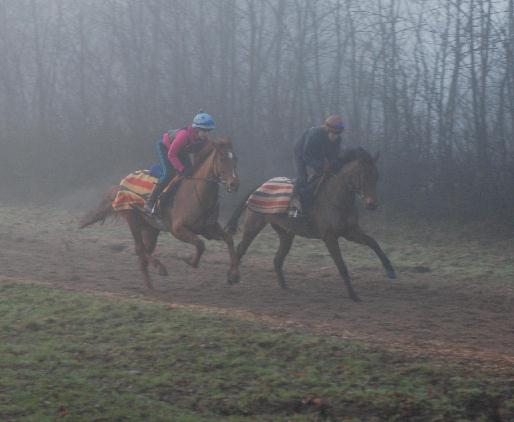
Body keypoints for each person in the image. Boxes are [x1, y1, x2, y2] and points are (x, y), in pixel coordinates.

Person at [146, 112, 215, 213]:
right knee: (170, 173)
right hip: (166, 148)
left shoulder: (203, 138)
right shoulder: (183, 136)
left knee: (191, 172)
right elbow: (171, 154)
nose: (207, 134)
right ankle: (150, 202)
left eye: (209, 131)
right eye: (204, 131)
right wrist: (181, 169)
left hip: (180, 151)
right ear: (197, 129)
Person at [292, 115, 345, 216]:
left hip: (318, 154)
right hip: (301, 153)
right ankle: (294, 204)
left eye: (338, 133)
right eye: (333, 133)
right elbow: (306, 156)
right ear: (327, 128)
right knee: (302, 177)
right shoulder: (314, 135)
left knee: (327, 174)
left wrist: (334, 166)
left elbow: (333, 156)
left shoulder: (338, 139)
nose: (335, 136)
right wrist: (321, 166)